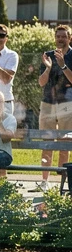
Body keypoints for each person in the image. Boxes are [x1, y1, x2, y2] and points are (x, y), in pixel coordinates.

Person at [37, 23, 72, 189]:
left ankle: (62, 182)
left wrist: (63, 65)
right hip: (48, 104)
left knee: (64, 143)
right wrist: (48, 68)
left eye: (64, 36)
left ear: (69, 38)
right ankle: (44, 181)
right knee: (47, 142)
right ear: (55, 38)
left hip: (67, 104)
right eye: (58, 36)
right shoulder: (47, 56)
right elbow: (41, 82)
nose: (60, 39)